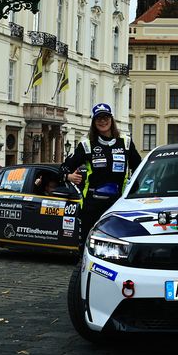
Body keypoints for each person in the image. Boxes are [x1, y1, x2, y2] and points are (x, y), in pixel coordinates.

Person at [62, 103, 142, 248]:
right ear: (93, 122)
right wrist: (68, 177)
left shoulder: (125, 142)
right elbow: (64, 168)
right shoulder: (87, 144)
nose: (103, 121)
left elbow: (139, 169)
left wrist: (134, 191)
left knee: (117, 244)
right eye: (98, 118)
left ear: (112, 120)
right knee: (89, 245)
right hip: (92, 204)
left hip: (118, 203)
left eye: (106, 117)